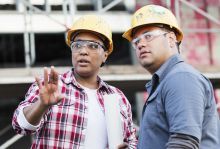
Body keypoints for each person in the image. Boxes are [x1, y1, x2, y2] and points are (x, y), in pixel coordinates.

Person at [12, 15, 137, 148]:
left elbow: (132, 141)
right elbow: (20, 126)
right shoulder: (51, 86)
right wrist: (41, 105)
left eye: (93, 46)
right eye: (77, 45)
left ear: (105, 55)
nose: (83, 51)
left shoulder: (118, 98)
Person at [123, 4, 220, 149]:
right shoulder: (165, 82)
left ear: (170, 39)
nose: (141, 44)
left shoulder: (181, 78)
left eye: (148, 36)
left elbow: (184, 143)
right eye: (136, 41)